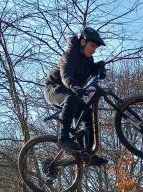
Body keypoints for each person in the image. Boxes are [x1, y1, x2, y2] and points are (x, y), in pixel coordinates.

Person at [44, 27, 108, 166]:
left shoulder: (87, 59)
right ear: (83, 42)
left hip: (71, 92)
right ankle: (63, 138)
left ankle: (88, 153)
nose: (94, 50)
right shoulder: (69, 55)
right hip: (53, 90)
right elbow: (65, 75)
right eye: (92, 46)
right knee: (71, 98)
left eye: (96, 48)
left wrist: (100, 67)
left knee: (86, 113)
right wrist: (75, 87)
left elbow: (92, 69)